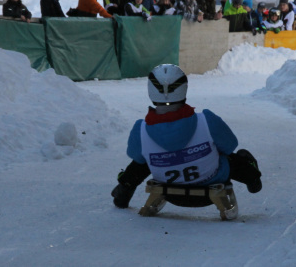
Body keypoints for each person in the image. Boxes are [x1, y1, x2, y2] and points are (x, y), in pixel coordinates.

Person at [111, 64, 262, 209]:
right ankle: (253, 178)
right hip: (209, 189)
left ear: (151, 90)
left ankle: (124, 189)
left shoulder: (141, 129)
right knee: (229, 156)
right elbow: (230, 145)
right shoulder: (206, 120)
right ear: (184, 88)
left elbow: (135, 155)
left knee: (143, 159)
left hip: (169, 192)